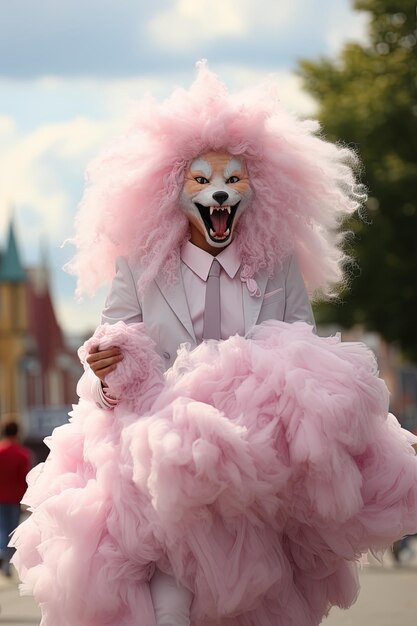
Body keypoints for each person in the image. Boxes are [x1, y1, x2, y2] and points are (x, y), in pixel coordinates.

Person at [0, 419, 30, 578]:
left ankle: (4, 557)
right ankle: (7, 561)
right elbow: (25, 479)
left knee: (2, 529)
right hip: (13, 498)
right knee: (11, 531)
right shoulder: (21, 454)